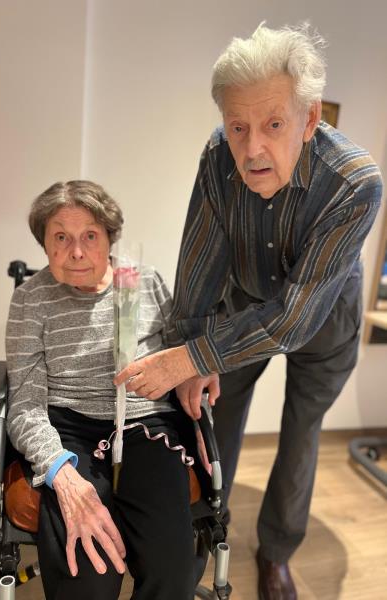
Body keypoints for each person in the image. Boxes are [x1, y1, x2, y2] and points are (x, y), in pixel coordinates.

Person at [114, 23, 383, 599]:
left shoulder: (355, 183)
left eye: (273, 125)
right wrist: (191, 349)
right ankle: (204, 533)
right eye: (238, 126)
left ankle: (277, 553)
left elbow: (295, 318)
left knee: (301, 432)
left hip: (322, 317)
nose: (252, 147)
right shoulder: (219, 156)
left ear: (309, 119)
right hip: (241, 307)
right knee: (212, 416)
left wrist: (189, 355)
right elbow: (199, 263)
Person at [5, 180, 196, 600]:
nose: (76, 251)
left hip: (146, 424)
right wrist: (62, 476)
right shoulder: (31, 300)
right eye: (61, 237)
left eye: (90, 235)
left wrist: (196, 372)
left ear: (110, 238)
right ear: (44, 244)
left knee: (173, 570)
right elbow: (25, 405)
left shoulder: (142, 282)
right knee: (88, 576)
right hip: (67, 432)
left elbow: (182, 355)